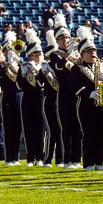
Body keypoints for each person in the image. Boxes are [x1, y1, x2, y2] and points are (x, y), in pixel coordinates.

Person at [70, 26, 103, 171]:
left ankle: (99, 162)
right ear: (82, 53)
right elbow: (74, 86)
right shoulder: (77, 68)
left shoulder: (102, 65)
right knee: (89, 134)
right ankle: (89, 162)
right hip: (87, 106)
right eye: (90, 51)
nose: (93, 53)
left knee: (102, 134)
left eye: (94, 50)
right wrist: (88, 94)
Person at [48, 13, 83, 168]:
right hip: (63, 94)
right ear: (57, 41)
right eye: (62, 39)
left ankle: (76, 158)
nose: (65, 40)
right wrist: (68, 54)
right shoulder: (55, 55)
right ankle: (66, 159)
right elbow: (58, 67)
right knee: (66, 127)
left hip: (76, 93)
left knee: (78, 127)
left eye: (67, 38)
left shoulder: (76, 55)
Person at [0, 31, 23, 166]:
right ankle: (8, 157)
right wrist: (7, 64)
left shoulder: (20, 65)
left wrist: (14, 63)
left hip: (18, 96)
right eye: (7, 49)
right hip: (6, 98)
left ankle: (15, 157)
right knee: (8, 128)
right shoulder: (0, 65)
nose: (10, 52)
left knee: (17, 128)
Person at [19, 29, 45, 166]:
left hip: (41, 100)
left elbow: (43, 84)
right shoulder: (24, 67)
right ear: (30, 56)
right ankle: (30, 158)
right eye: (35, 55)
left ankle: (40, 157)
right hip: (27, 101)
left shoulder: (45, 67)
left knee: (40, 130)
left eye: (39, 54)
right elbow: (18, 86)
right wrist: (22, 75)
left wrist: (39, 71)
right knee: (28, 130)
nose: (38, 57)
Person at [40, 36, 62, 167]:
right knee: (51, 131)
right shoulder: (44, 68)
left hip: (60, 100)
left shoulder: (58, 67)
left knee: (61, 130)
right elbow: (39, 83)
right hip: (49, 101)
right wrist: (42, 73)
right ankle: (47, 159)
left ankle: (59, 159)